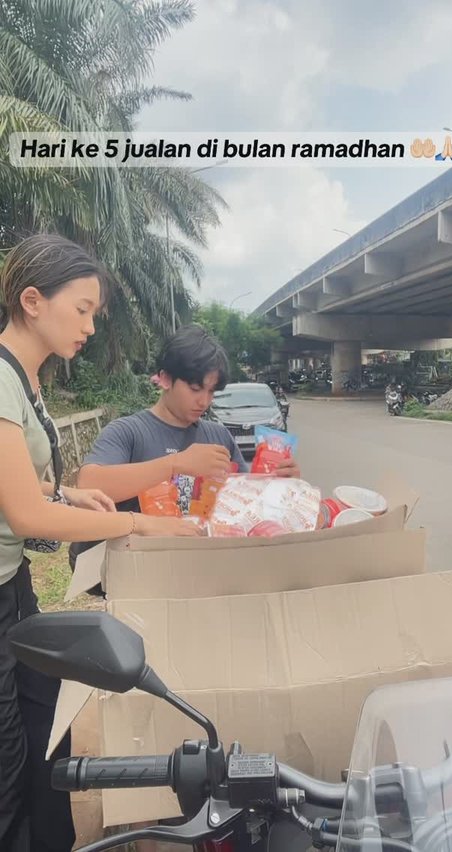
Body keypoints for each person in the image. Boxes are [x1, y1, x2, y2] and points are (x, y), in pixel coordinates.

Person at [0, 234, 198, 852]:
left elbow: (24, 489)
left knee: (43, 721)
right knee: (8, 749)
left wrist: (66, 495)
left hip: (14, 583)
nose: (89, 324)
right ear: (33, 300)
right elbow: (26, 514)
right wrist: (134, 523)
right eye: (82, 308)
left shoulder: (24, 378)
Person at [78, 324, 300, 512]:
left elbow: (245, 503)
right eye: (195, 388)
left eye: (212, 392)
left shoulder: (218, 436)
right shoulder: (128, 432)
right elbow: (89, 484)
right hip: (142, 559)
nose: (204, 401)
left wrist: (279, 485)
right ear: (165, 379)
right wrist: (176, 464)